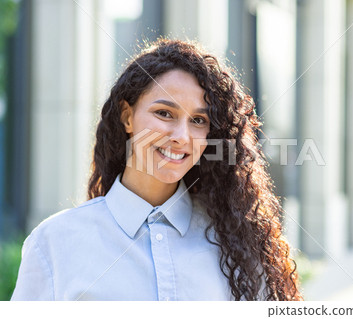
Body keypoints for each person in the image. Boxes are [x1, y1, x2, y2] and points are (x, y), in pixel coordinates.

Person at [11, 39, 301, 301]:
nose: (181, 136)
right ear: (127, 117)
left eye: (199, 120)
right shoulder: (55, 242)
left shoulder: (239, 244)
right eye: (164, 113)